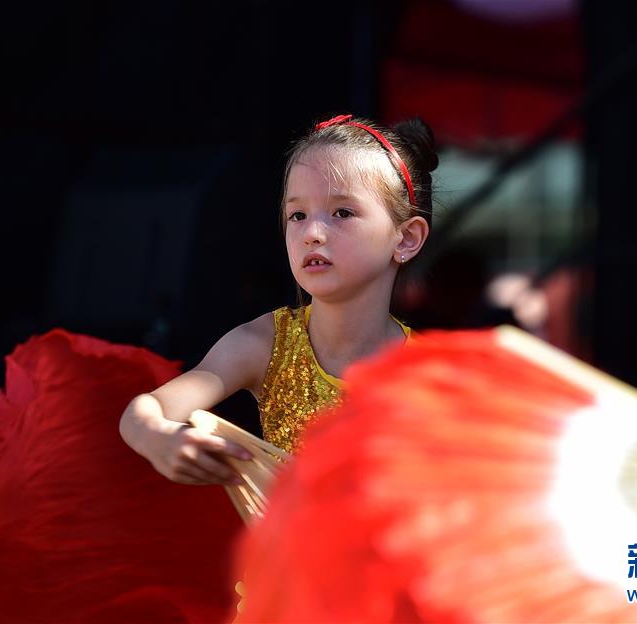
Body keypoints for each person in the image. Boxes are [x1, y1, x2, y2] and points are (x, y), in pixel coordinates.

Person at [119, 113, 437, 485]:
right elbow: (145, 410)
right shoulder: (263, 344)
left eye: (342, 213)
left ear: (407, 238)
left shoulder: (432, 373)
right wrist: (157, 437)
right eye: (297, 215)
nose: (312, 233)